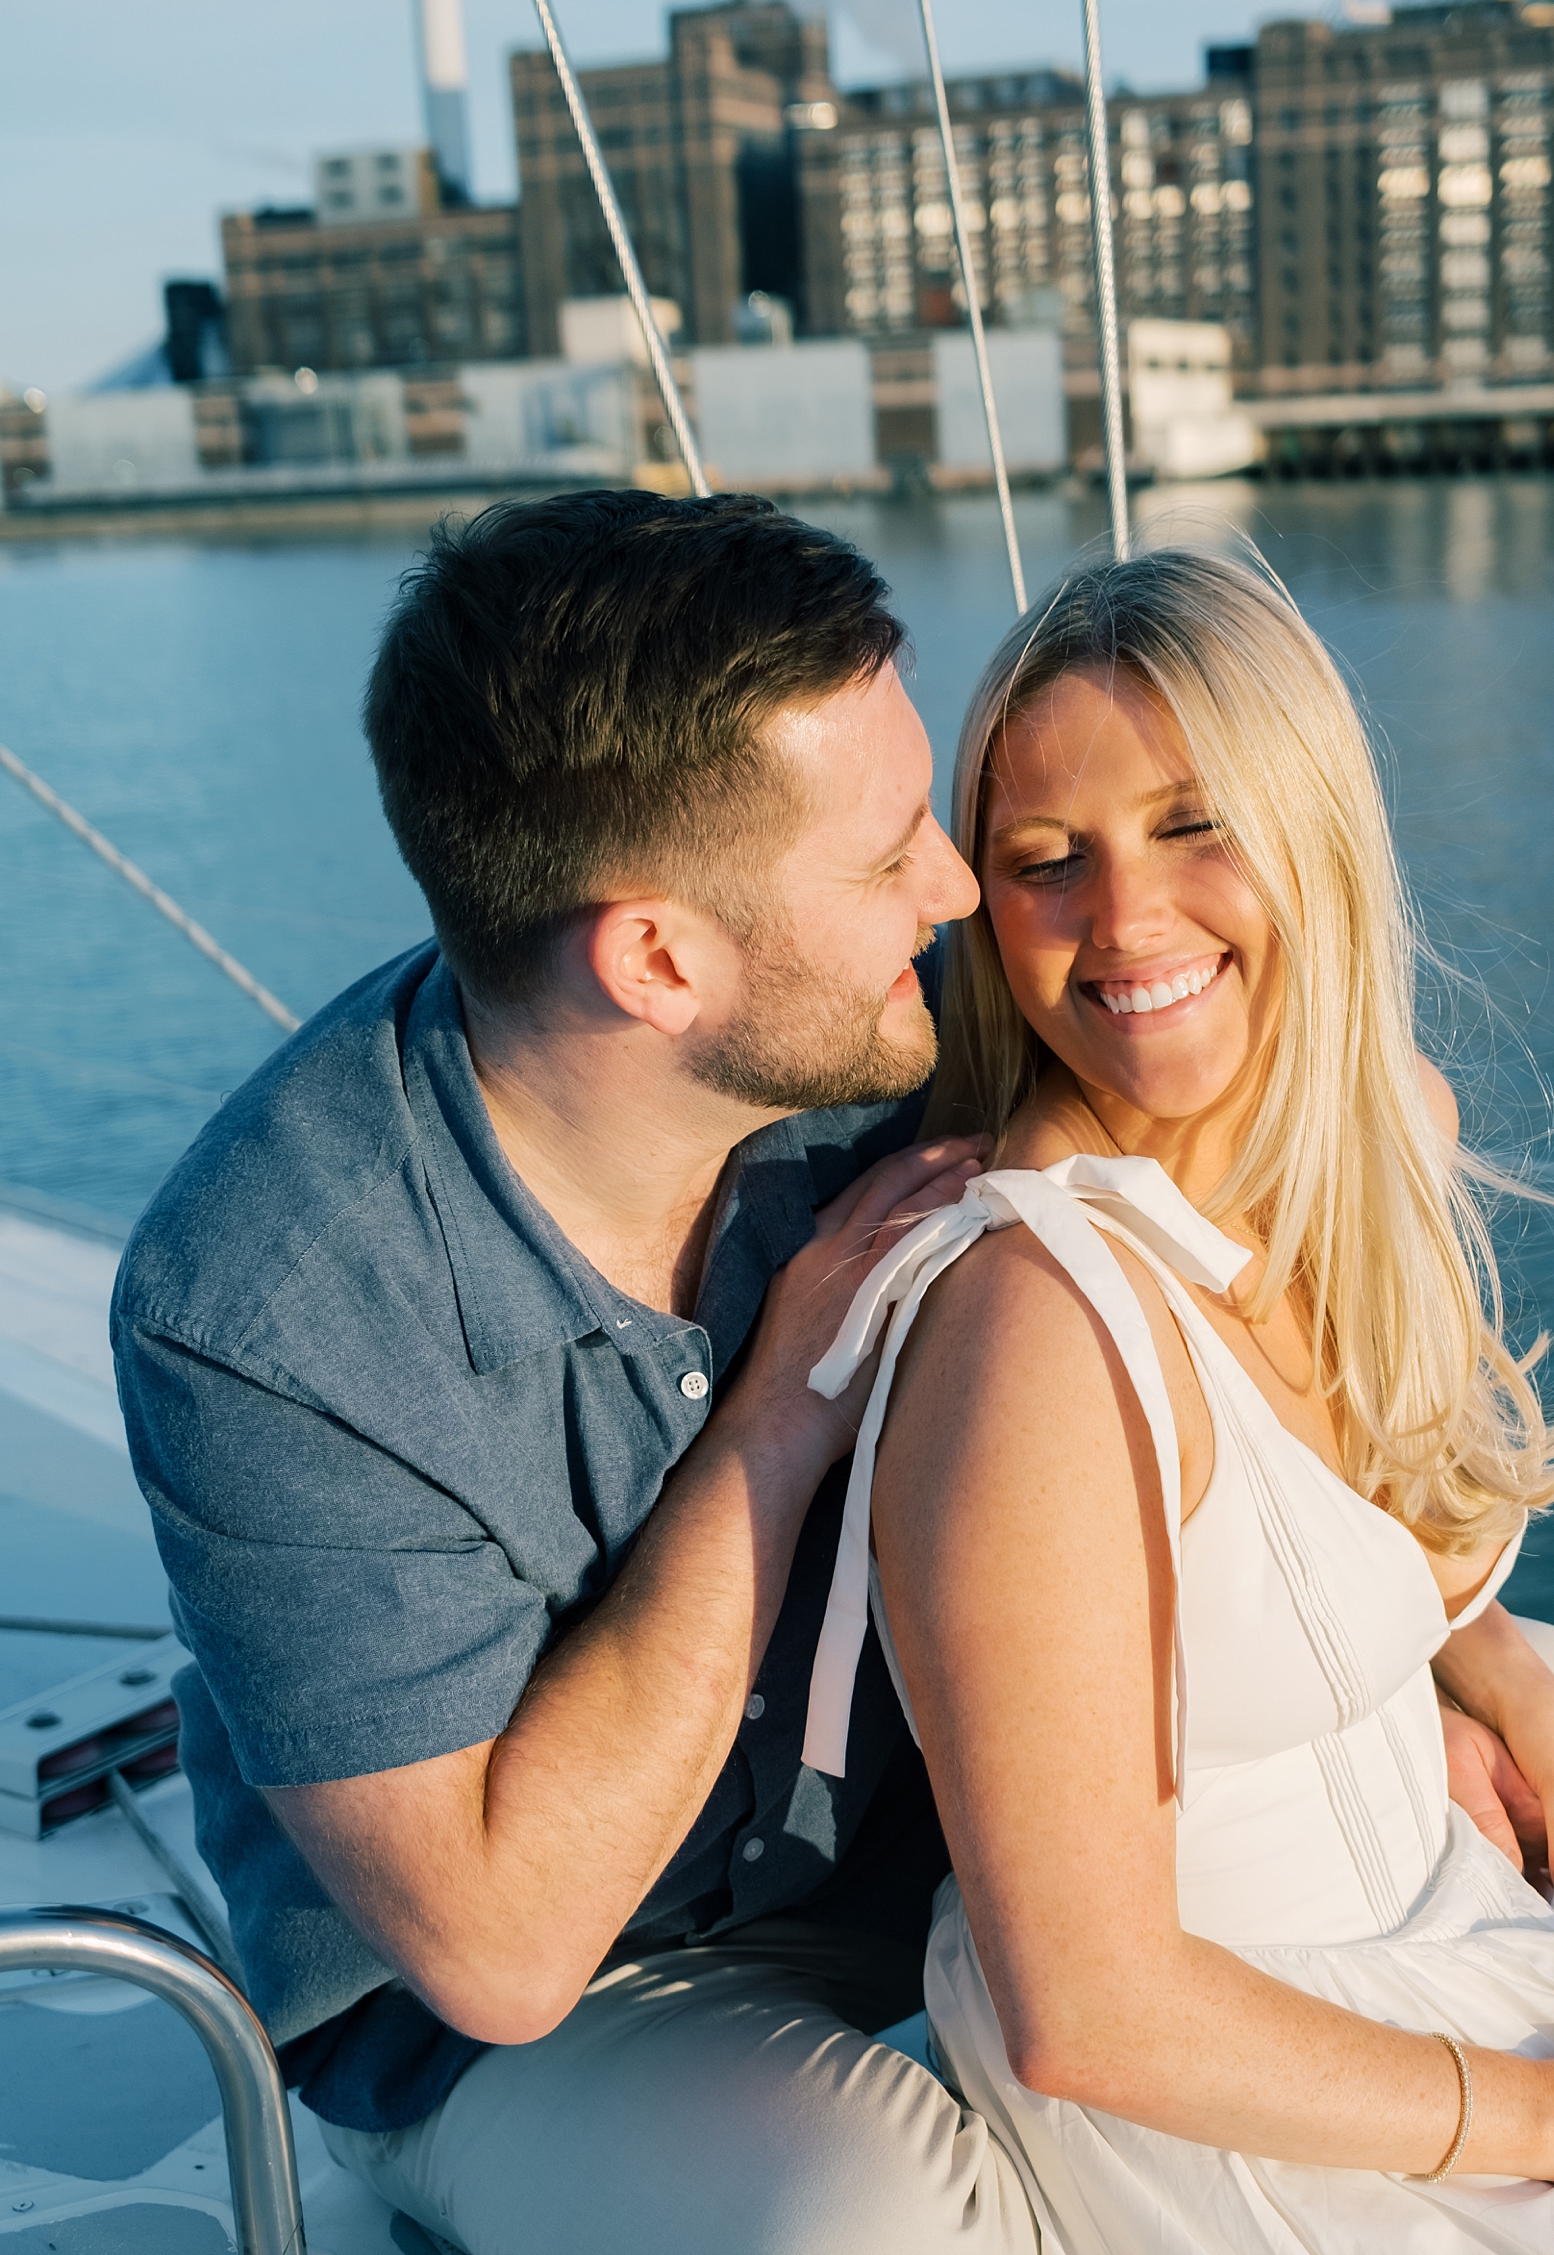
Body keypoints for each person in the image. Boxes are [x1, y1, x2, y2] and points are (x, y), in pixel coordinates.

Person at [802, 545, 1554, 2253]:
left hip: (1447, 1950)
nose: (1126, 921)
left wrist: (1509, 1673)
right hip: (1232, 2111)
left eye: (1195, 824)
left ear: (1317, 831)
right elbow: (1088, 2005)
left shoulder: (1370, 1146)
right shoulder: (1036, 1335)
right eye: (1046, 861)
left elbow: (1302, 1539)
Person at [112, 489, 1045, 2253]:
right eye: (893, 850)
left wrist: (1467, 1659)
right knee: (877, 2224)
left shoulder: (897, 1027)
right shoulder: (259, 1313)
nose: (954, 883)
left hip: (933, 1863)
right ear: (657, 962)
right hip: (544, 2013)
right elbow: (500, 1945)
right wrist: (783, 1414)